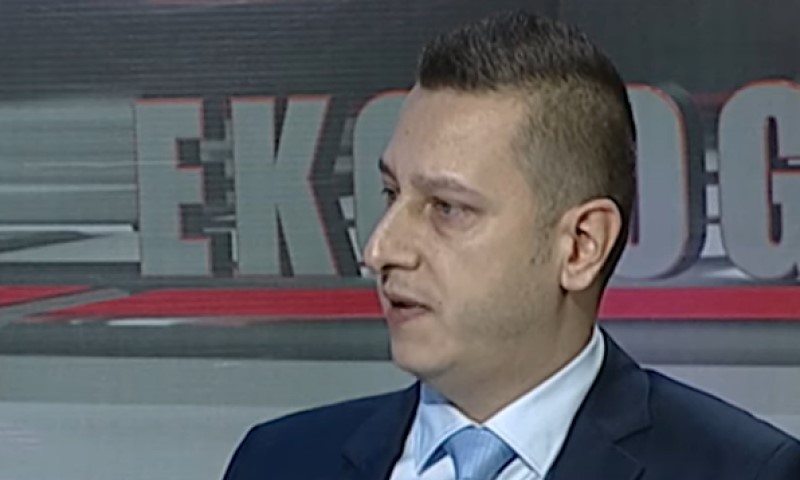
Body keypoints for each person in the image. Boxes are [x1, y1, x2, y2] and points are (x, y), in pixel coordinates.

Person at [222, 10, 800, 480]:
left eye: (447, 208)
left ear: (581, 246)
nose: (380, 250)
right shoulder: (278, 462)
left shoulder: (743, 471)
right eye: (391, 194)